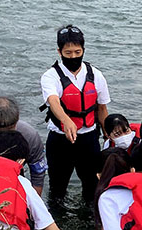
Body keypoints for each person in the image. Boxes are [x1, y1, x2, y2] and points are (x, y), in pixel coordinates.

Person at [40, 24, 111, 204]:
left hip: (89, 139)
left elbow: (102, 109)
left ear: (83, 50)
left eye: (77, 52)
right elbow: (53, 101)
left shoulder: (96, 75)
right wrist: (66, 120)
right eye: (68, 53)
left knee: (92, 186)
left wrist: (108, 136)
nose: (73, 57)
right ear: (59, 51)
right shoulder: (50, 76)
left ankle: (88, 222)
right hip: (60, 140)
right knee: (57, 188)